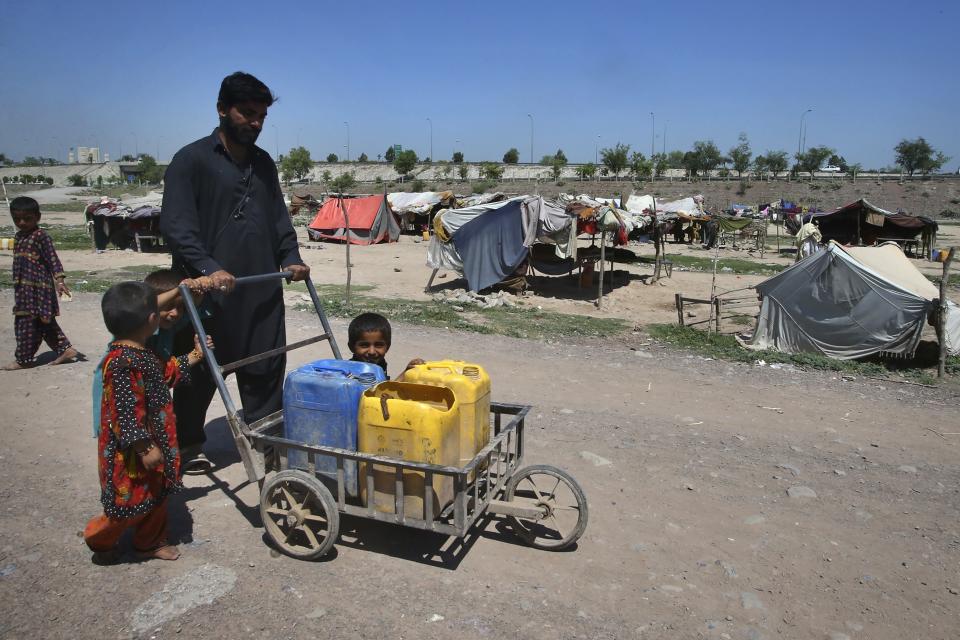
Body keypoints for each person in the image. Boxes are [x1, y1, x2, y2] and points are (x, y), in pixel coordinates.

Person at [160, 72, 310, 460]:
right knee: (201, 366)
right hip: (206, 292)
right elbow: (177, 227)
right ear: (222, 110)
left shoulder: (263, 165)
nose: (256, 123)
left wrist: (291, 258)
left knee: (265, 362)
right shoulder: (190, 160)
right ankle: (188, 442)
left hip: (260, 287)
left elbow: (279, 219)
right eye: (247, 114)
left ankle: (266, 440)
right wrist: (209, 268)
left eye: (261, 116)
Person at [83, 282, 208, 564]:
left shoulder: (144, 354)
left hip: (156, 443)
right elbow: (124, 413)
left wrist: (195, 355)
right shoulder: (121, 364)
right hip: (131, 452)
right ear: (153, 319)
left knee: (156, 494)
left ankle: (149, 543)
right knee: (126, 503)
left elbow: (166, 374)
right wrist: (143, 447)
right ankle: (98, 539)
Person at [3, 196, 80, 370]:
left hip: (39, 290)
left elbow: (53, 259)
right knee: (42, 322)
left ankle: (23, 359)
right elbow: (10, 249)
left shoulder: (41, 236)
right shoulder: (19, 237)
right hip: (23, 290)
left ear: (37, 217)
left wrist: (60, 281)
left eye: (27, 219)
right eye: (17, 219)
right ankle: (65, 350)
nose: (21, 222)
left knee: (27, 322)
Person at [348, 312, 423, 379]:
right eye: (364, 345)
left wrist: (406, 372)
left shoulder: (379, 364)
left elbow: (385, 388)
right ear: (351, 347)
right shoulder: (348, 373)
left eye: (378, 345)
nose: (372, 352)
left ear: (388, 346)